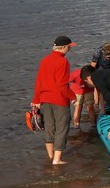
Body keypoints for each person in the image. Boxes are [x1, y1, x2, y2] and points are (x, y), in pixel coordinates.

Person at [31, 35, 76, 165]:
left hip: (44, 99)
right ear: (63, 47)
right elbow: (62, 85)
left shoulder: (44, 60)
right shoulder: (63, 62)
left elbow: (39, 82)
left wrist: (36, 99)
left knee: (49, 127)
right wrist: (72, 97)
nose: (69, 49)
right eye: (69, 47)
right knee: (62, 127)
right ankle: (57, 160)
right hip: (59, 99)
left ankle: (51, 157)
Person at [89, 43, 110, 113]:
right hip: (98, 67)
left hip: (109, 68)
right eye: (107, 56)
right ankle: (97, 105)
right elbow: (92, 66)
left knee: (109, 86)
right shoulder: (98, 53)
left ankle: (109, 103)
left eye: (109, 56)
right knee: (98, 87)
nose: (108, 57)